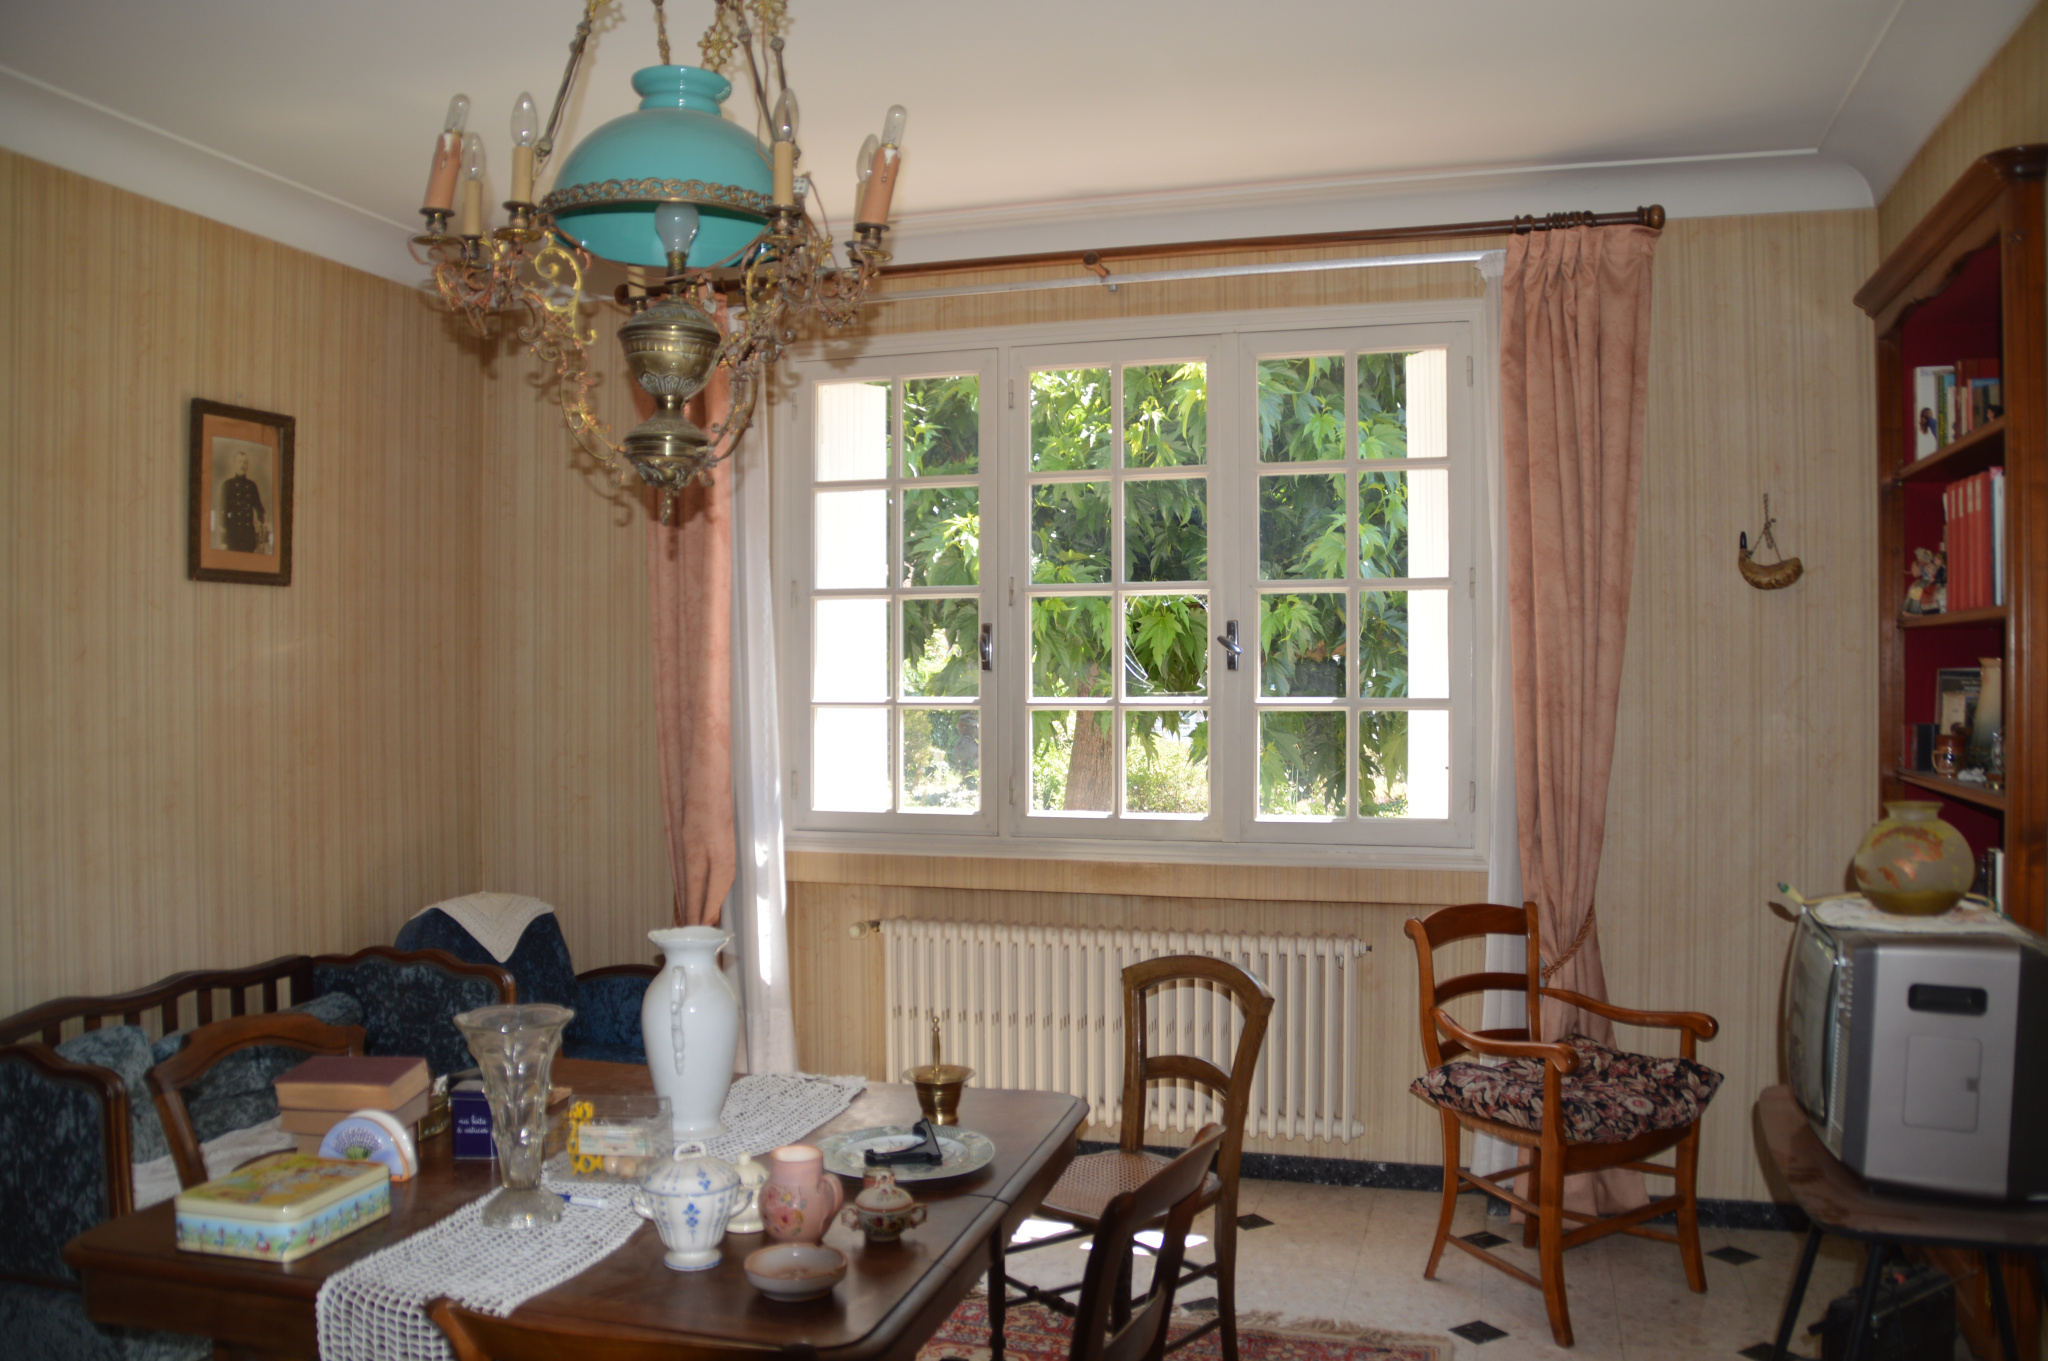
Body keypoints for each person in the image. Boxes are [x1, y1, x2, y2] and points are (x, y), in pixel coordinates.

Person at [220, 452, 267, 554]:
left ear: (247, 465)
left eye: (245, 462)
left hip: (248, 535)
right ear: (235, 464)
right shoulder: (227, 485)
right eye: (240, 462)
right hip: (233, 535)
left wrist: (262, 522)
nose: (242, 465)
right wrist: (224, 532)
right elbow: (222, 510)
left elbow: (259, 507)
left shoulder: (252, 486)